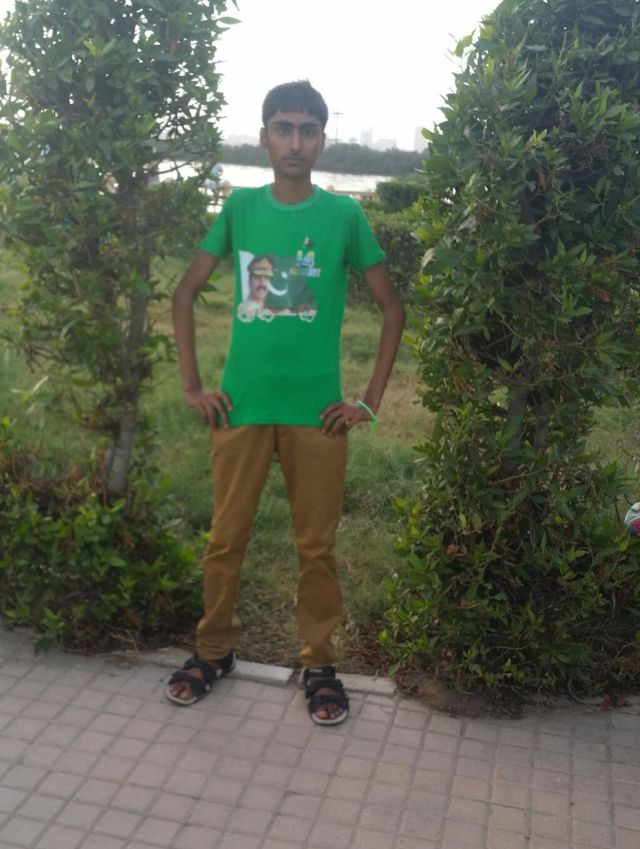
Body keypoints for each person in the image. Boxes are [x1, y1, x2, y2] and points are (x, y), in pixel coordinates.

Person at [167, 80, 405, 725]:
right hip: (240, 408)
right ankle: (213, 650)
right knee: (225, 539)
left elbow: (391, 309)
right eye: (283, 128)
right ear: (264, 136)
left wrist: (368, 402)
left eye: (307, 130)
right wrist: (193, 386)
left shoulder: (344, 217)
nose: (295, 142)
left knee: (316, 548)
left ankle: (319, 662)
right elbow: (184, 294)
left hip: (316, 416)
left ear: (322, 139)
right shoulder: (240, 207)